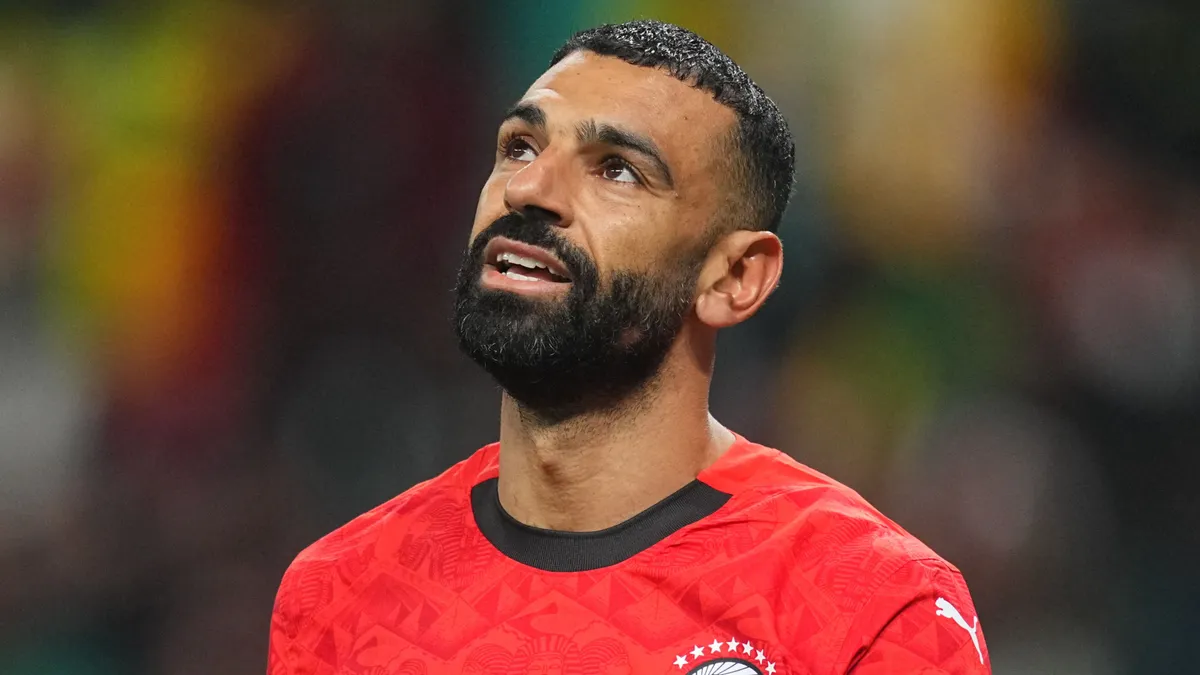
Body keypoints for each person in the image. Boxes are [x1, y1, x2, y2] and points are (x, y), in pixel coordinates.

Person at [267, 20, 991, 675]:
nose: (529, 188)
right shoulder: (337, 593)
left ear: (735, 278)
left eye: (617, 168)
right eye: (520, 146)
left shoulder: (873, 607)